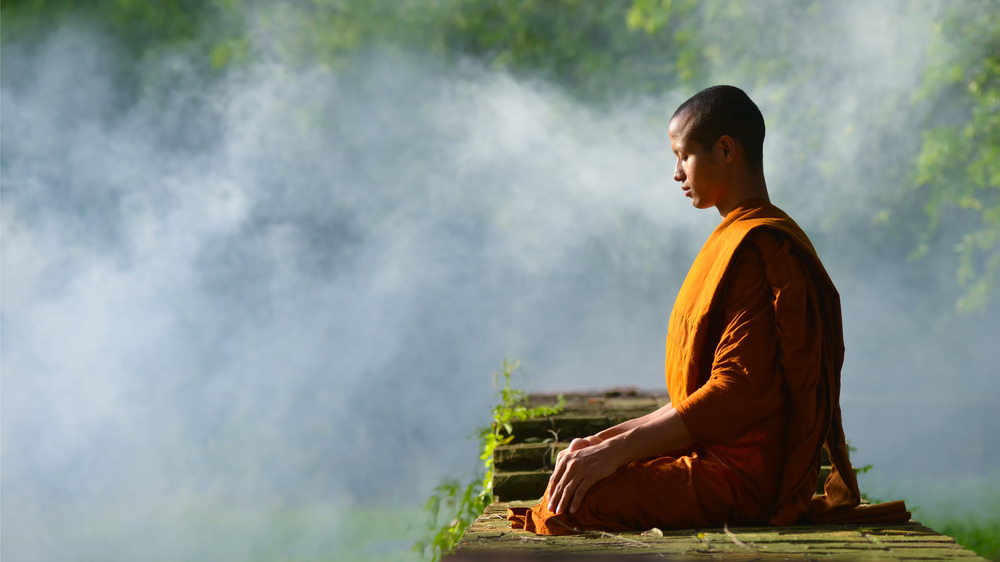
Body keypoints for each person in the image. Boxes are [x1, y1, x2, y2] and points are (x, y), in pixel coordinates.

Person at [508, 85, 909, 535]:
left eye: (683, 156)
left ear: (725, 149)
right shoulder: (733, 238)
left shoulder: (762, 246)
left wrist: (619, 451)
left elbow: (736, 390)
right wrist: (609, 441)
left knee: (574, 504)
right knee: (576, 473)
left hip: (742, 474)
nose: (676, 173)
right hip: (710, 453)